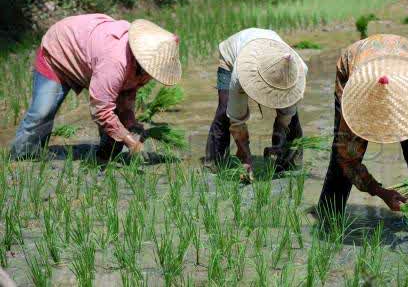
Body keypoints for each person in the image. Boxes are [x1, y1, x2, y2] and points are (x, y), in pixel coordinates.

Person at [10, 14, 181, 160]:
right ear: (142, 59)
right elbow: (101, 110)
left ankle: (104, 157)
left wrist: (130, 122)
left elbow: (127, 93)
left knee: (117, 126)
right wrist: (130, 142)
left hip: (90, 59)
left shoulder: (145, 68)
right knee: (43, 111)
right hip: (59, 52)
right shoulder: (115, 61)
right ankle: (23, 155)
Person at [318, 34, 408, 213]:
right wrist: (381, 192)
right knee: (343, 153)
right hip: (355, 65)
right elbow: (348, 161)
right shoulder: (356, 104)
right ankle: (329, 215)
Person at [205, 28, 308, 178]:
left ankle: (290, 162)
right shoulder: (239, 75)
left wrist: (279, 145)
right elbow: (236, 119)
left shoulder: (299, 71)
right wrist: (244, 154)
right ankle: (215, 163)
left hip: (270, 49)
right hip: (232, 54)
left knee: (291, 118)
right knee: (224, 110)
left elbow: (286, 115)